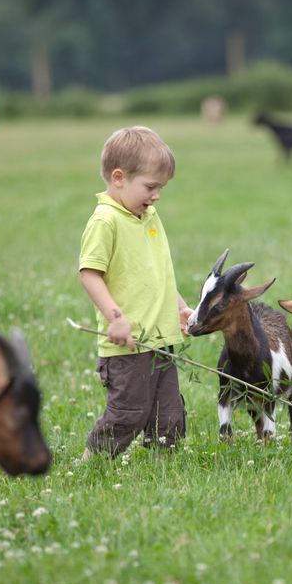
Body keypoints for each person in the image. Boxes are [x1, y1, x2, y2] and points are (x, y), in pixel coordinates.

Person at [78, 126, 193, 459]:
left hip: (160, 339)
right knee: (128, 414)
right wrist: (115, 318)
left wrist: (180, 308)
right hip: (128, 344)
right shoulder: (106, 221)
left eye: (161, 188)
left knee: (168, 416)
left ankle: (163, 472)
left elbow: (157, 275)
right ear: (118, 178)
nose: (156, 195)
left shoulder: (148, 216)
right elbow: (90, 274)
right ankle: (90, 465)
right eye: (151, 186)